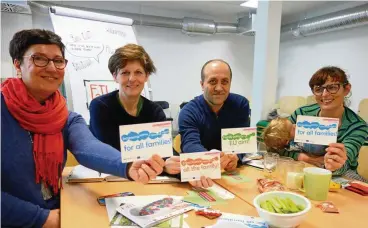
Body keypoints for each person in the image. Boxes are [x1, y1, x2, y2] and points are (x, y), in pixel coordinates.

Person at [1, 29, 165, 228]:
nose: (52, 68)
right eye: (40, 59)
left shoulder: (63, 115)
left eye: (58, 60)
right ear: (17, 65)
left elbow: (88, 147)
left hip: (58, 208)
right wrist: (42, 219)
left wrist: (128, 166)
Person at [165, 59, 250, 188]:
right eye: (212, 81)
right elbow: (190, 144)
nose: (219, 88)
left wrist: (236, 157)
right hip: (200, 175)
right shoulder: (188, 111)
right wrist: (213, 160)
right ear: (202, 84)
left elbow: (242, 142)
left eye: (225, 82)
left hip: (230, 175)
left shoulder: (241, 104)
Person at [281, 66, 368, 176]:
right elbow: (275, 146)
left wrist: (334, 165)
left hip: (339, 177)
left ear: (346, 89)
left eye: (332, 87)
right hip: (300, 169)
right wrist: (303, 157)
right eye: (318, 89)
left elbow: (345, 163)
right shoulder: (301, 114)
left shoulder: (357, 126)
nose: (324, 94)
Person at [89, 44, 166, 151]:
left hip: (146, 166)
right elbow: (110, 152)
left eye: (138, 72)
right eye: (125, 73)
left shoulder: (155, 111)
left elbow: (164, 150)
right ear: (115, 76)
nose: (132, 79)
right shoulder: (101, 107)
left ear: (146, 76)